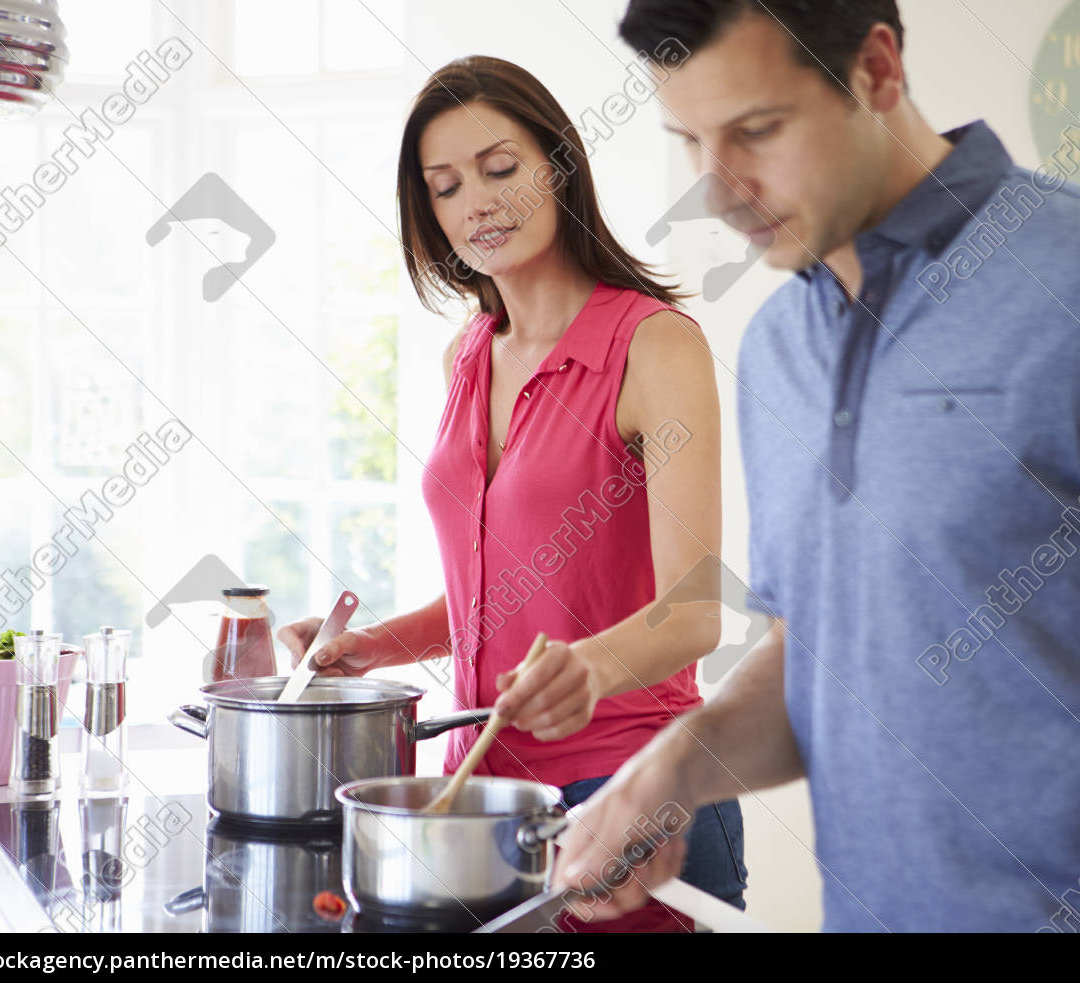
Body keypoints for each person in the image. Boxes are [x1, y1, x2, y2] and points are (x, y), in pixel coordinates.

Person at [553, 0, 1080, 932]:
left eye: (757, 131)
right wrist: (672, 770)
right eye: (690, 141)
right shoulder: (779, 345)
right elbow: (825, 658)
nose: (720, 189)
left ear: (878, 69)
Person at [278, 55, 747, 932]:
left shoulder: (656, 346)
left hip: (631, 789)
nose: (478, 203)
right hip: (482, 798)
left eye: (500, 169)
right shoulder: (469, 353)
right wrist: (371, 646)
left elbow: (694, 615)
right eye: (446, 187)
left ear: (558, 168)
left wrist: (585, 670)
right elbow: (503, 592)